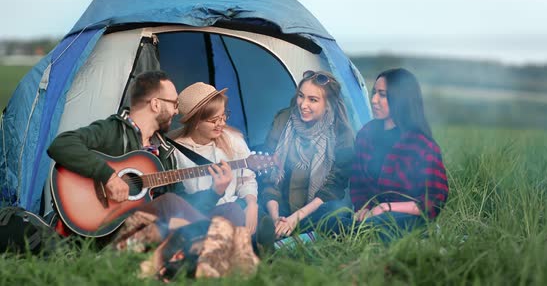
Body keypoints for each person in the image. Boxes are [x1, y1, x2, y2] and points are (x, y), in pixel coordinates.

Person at [46, 71, 237, 241]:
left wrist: (215, 191)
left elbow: (182, 203)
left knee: (230, 210)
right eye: (174, 104)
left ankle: (215, 249)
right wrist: (108, 176)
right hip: (112, 230)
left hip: (153, 229)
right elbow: (61, 144)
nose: (177, 111)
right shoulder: (113, 130)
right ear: (155, 104)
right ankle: (212, 238)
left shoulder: (165, 150)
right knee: (168, 204)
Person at [346, 68, 448, 240]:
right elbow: (357, 183)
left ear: (401, 99)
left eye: (382, 95)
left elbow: (435, 200)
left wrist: (386, 207)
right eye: (374, 93)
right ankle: (296, 239)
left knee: (379, 226)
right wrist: (362, 208)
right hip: (370, 216)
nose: (373, 100)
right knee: (331, 216)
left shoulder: (422, 145)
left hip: (405, 218)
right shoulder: (366, 135)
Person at [261, 70, 355, 238]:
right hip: (280, 208)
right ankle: (290, 237)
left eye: (313, 100)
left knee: (337, 212)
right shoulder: (283, 120)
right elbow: (269, 178)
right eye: (301, 96)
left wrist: (294, 219)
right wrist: (277, 219)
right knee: (250, 208)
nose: (303, 105)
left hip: (315, 211)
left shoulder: (341, 133)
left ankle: (288, 240)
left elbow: (333, 188)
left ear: (328, 104)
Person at [169, 82, 258, 234]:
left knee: (256, 221)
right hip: (199, 215)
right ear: (195, 122)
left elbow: (246, 179)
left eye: (223, 116)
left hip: (236, 206)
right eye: (213, 120)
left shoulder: (233, 139)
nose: (221, 124)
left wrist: (251, 205)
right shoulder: (173, 152)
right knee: (231, 212)